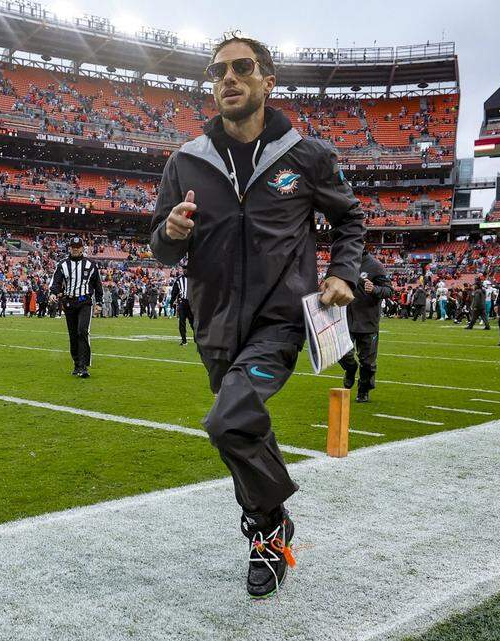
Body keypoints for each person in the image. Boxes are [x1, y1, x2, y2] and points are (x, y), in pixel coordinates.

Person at [149, 34, 363, 599]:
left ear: (268, 81)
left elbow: (350, 220)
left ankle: (265, 529)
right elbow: (162, 247)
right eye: (218, 70)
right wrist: (169, 233)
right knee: (237, 428)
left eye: (243, 67)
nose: (229, 77)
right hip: (214, 322)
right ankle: (272, 527)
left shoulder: (306, 155)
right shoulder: (186, 160)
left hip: (281, 320)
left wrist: (343, 273)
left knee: (226, 420)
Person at [339, 249, 394, 403]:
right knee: (341, 352)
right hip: (346, 319)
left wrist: (375, 289)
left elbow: (389, 290)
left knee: (368, 363)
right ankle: (350, 369)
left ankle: (363, 390)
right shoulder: (344, 262)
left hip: (368, 321)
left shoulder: (375, 266)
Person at [50, 237, 103, 378]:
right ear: (70, 248)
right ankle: (76, 363)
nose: (75, 249)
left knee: (82, 331)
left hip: (84, 301)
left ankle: (84, 366)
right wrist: (53, 293)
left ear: (82, 248)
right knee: (73, 335)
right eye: (73, 246)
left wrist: (99, 302)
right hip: (69, 303)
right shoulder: (62, 265)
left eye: (78, 246)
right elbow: (56, 282)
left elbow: (98, 285)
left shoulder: (91, 265)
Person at [170, 268, 195, 345]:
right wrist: (171, 301)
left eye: (187, 269)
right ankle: (184, 340)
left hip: (192, 303)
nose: (185, 271)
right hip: (183, 303)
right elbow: (174, 291)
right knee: (181, 322)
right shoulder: (179, 279)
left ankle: (197, 338)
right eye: (184, 269)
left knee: (193, 323)